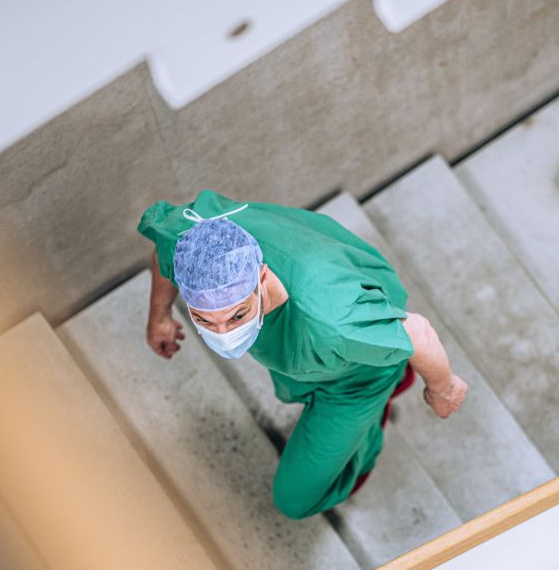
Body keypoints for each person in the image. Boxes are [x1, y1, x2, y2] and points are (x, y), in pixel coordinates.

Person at [137, 190, 468, 520]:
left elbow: (420, 334)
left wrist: (444, 388)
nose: (223, 336)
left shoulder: (334, 321)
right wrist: (160, 314)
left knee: (295, 499)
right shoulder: (197, 238)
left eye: (238, 316)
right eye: (203, 319)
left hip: (355, 379)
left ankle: (385, 394)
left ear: (262, 277)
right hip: (318, 340)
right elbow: (167, 248)